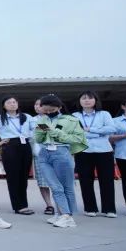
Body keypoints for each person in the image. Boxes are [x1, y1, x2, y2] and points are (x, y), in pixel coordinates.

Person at [33, 94, 88, 228]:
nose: (48, 112)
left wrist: (59, 134)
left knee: (66, 186)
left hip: (61, 152)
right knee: (54, 186)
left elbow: (79, 139)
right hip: (44, 153)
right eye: (45, 110)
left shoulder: (71, 120)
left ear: (59, 107)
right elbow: (39, 139)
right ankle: (61, 214)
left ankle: (68, 216)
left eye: (51, 110)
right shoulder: (42, 120)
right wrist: (39, 132)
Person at [72, 91, 118, 218]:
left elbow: (112, 129)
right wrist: (99, 133)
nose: (87, 100)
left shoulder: (104, 114)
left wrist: (90, 130)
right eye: (84, 98)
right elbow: (75, 132)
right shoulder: (75, 116)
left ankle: (109, 209)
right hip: (83, 151)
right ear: (79, 101)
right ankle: (90, 208)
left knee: (107, 180)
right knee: (85, 180)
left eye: (90, 98)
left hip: (104, 150)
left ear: (95, 100)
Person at [0, 96, 35, 216]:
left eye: (14, 102)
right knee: (13, 177)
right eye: (9, 102)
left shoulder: (26, 117)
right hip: (10, 146)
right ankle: (18, 206)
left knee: (24, 177)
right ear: (4, 106)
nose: (12, 104)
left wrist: (30, 135)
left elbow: (36, 129)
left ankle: (24, 204)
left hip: (25, 145)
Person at [28, 99, 59, 215]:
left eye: (40, 105)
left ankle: (61, 205)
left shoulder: (59, 118)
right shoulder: (31, 119)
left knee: (57, 181)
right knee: (42, 182)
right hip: (40, 154)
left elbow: (53, 133)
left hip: (57, 153)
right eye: (36, 104)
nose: (38, 107)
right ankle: (49, 205)